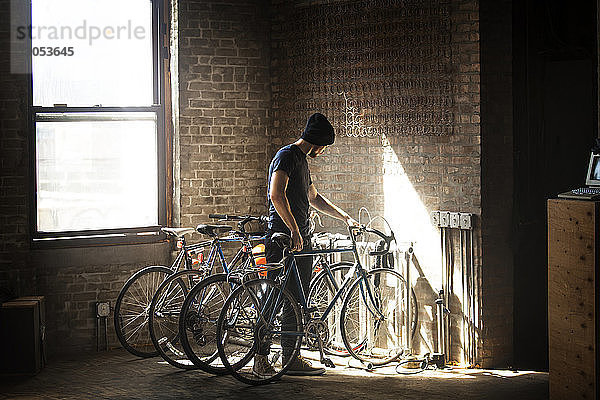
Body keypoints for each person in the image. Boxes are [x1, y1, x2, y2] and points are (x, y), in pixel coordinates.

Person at [254, 113, 359, 377]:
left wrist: (343, 216)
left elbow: (313, 196)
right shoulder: (286, 156)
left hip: (300, 241)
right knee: (276, 298)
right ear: (318, 143)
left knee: (295, 301)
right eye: (324, 146)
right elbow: (276, 194)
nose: (323, 152)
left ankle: (291, 358)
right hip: (283, 239)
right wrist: (293, 229)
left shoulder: (301, 161)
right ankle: (259, 358)